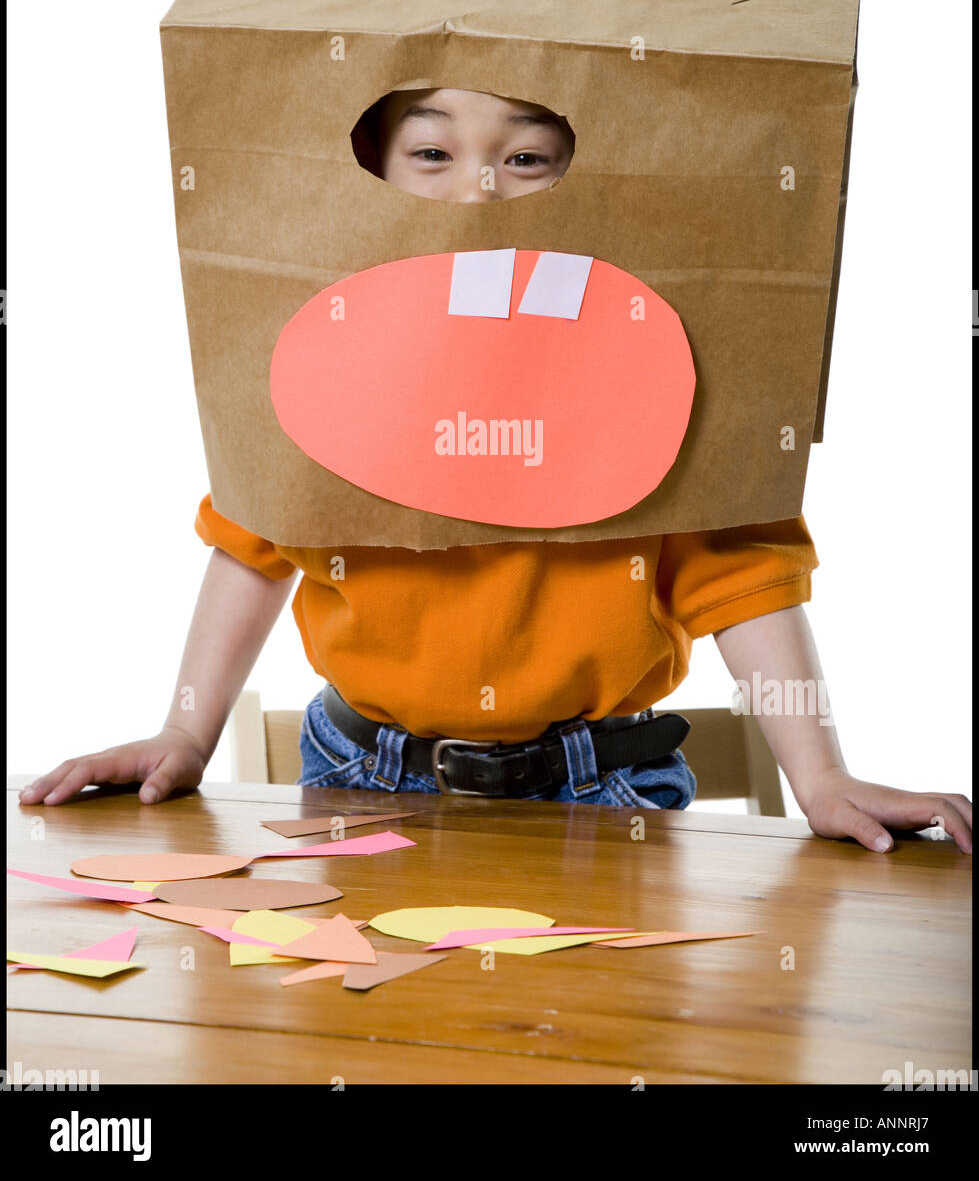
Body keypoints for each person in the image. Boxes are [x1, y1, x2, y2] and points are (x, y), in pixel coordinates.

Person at [20, 89, 972, 855]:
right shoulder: (331, 373)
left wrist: (820, 776)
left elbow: (743, 573)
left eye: (526, 159)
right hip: (356, 770)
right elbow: (250, 540)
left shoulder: (651, 373)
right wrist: (184, 736)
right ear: (366, 174)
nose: (477, 188)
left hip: (603, 785)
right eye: (431, 153)